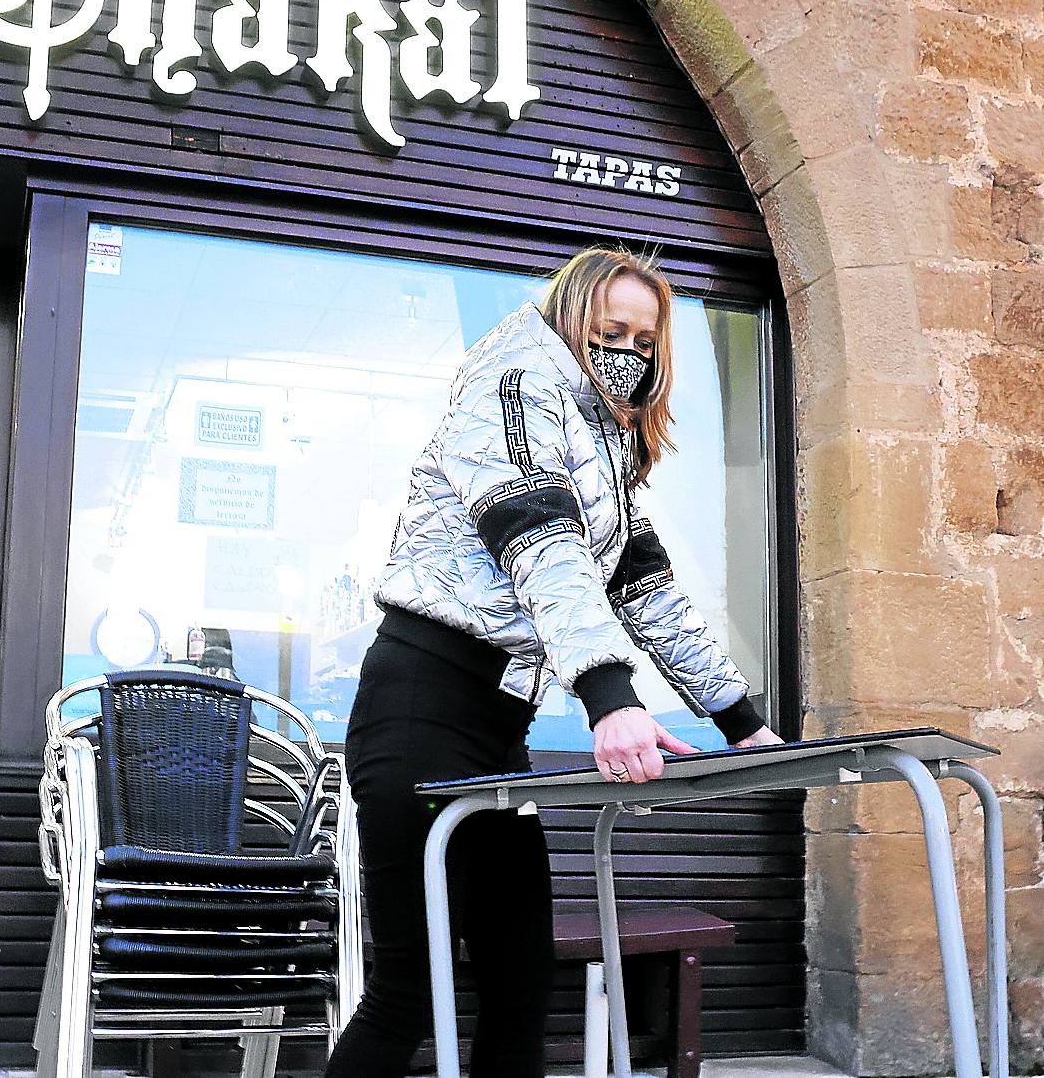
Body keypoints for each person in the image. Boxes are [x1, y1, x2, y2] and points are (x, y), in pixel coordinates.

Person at [324, 247, 782, 1078]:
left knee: (520, 979)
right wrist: (610, 698)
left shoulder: (603, 437)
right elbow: (543, 545)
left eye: (647, 343)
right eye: (614, 331)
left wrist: (741, 723)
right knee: (409, 992)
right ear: (573, 319)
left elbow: (647, 591)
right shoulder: (512, 383)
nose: (630, 353)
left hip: (498, 732)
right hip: (421, 708)